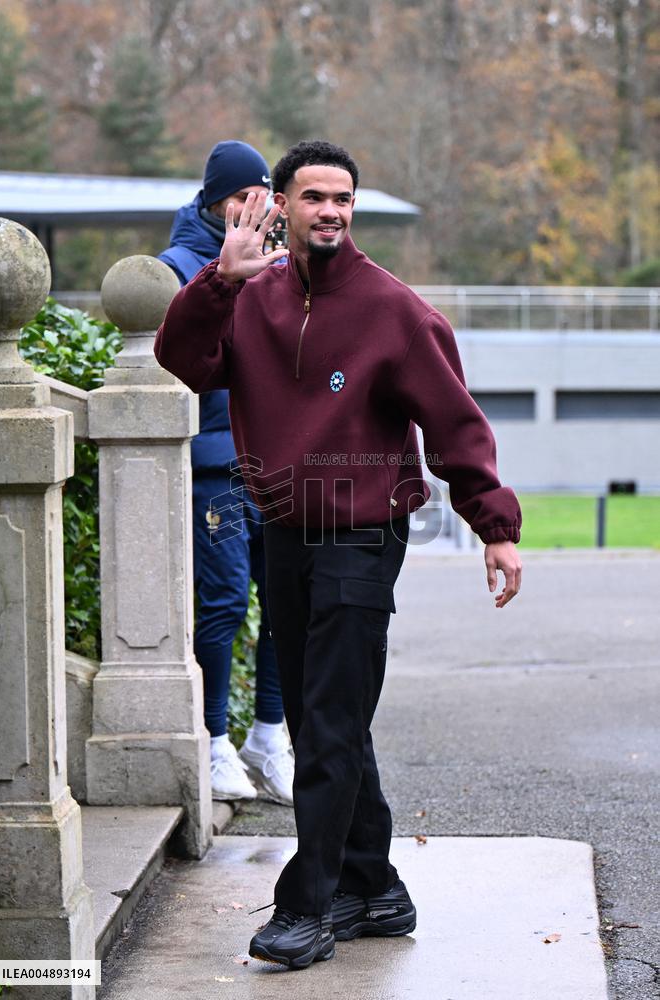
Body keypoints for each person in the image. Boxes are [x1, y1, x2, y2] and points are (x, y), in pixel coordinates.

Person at [154, 140, 523, 970]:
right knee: (337, 715)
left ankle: (307, 908)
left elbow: (456, 423)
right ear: (277, 203)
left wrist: (494, 525)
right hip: (284, 528)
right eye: (315, 197)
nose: (331, 212)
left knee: (324, 716)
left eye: (344, 200)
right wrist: (220, 279)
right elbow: (182, 362)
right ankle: (375, 889)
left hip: (364, 532)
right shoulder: (250, 295)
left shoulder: (393, 309)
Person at [158, 140, 294, 806]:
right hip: (217, 469)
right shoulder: (177, 268)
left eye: (261, 198)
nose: (253, 209)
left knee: (288, 600)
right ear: (216, 198)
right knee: (225, 601)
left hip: (275, 463)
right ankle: (213, 741)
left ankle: (267, 739)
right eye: (242, 196)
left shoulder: (279, 265)